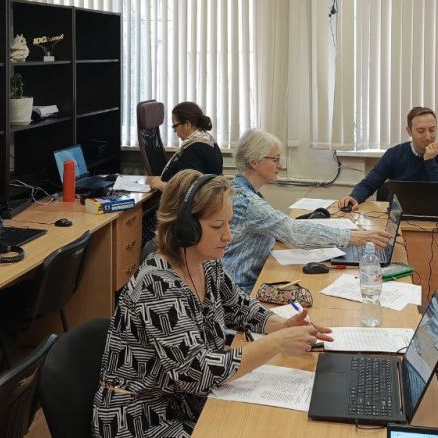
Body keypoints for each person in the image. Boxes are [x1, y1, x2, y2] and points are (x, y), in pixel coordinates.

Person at [94, 171, 332, 438]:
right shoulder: (157, 284)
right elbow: (195, 372)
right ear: (185, 228)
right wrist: (276, 343)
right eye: (218, 226)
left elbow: (239, 306)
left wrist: (281, 325)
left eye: (229, 224)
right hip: (141, 418)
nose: (228, 236)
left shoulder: (206, 263)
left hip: (184, 404)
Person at [222, 129, 390, 292]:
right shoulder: (248, 202)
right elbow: (293, 231)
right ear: (254, 162)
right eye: (275, 159)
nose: (280, 165)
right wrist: (354, 237)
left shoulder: (242, 190)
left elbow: (278, 227)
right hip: (241, 288)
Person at [339, 106, 438, 211]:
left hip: (436, 216)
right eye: (421, 131)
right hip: (400, 215)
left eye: (432, 130)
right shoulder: (395, 154)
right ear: (409, 131)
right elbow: (369, 183)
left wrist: (430, 161)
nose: (428, 136)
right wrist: (354, 197)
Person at [146, 101, 223, 190]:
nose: (176, 132)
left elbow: (185, 191)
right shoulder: (207, 139)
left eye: (175, 127)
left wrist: (159, 184)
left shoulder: (194, 150)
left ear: (187, 124)